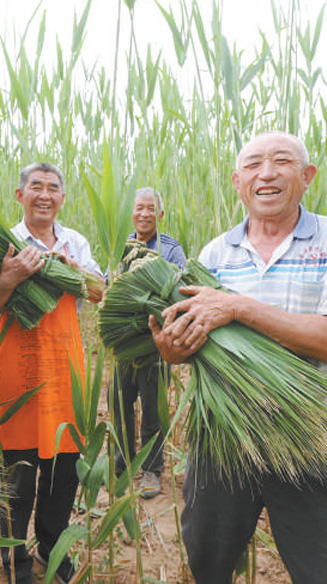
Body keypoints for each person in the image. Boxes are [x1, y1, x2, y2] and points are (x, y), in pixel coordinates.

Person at [148, 132, 327, 584]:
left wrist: (236, 307)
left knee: (326, 575)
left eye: (281, 161)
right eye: (253, 165)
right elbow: (204, 346)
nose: (266, 173)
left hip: (316, 446)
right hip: (225, 442)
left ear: (307, 176)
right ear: (237, 182)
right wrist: (173, 350)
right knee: (208, 566)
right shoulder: (214, 254)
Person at [0, 163, 104, 584]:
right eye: (36, 187)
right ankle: (15, 566)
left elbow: (101, 290)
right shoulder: (2, 246)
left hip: (64, 379)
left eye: (53, 188)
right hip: (16, 382)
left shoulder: (76, 242)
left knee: (62, 477)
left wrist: (72, 271)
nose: (45, 195)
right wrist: (8, 280)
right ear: (20, 195)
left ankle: (55, 556)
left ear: (62, 198)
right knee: (17, 483)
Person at [110, 187, 186, 499]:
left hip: (155, 344)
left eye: (151, 209)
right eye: (139, 208)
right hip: (124, 341)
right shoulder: (121, 246)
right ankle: (123, 461)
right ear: (132, 212)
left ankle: (153, 469)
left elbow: (178, 289)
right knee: (119, 403)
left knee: (153, 409)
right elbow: (108, 283)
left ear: (161, 215)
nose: (144, 214)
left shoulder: (170, 249)